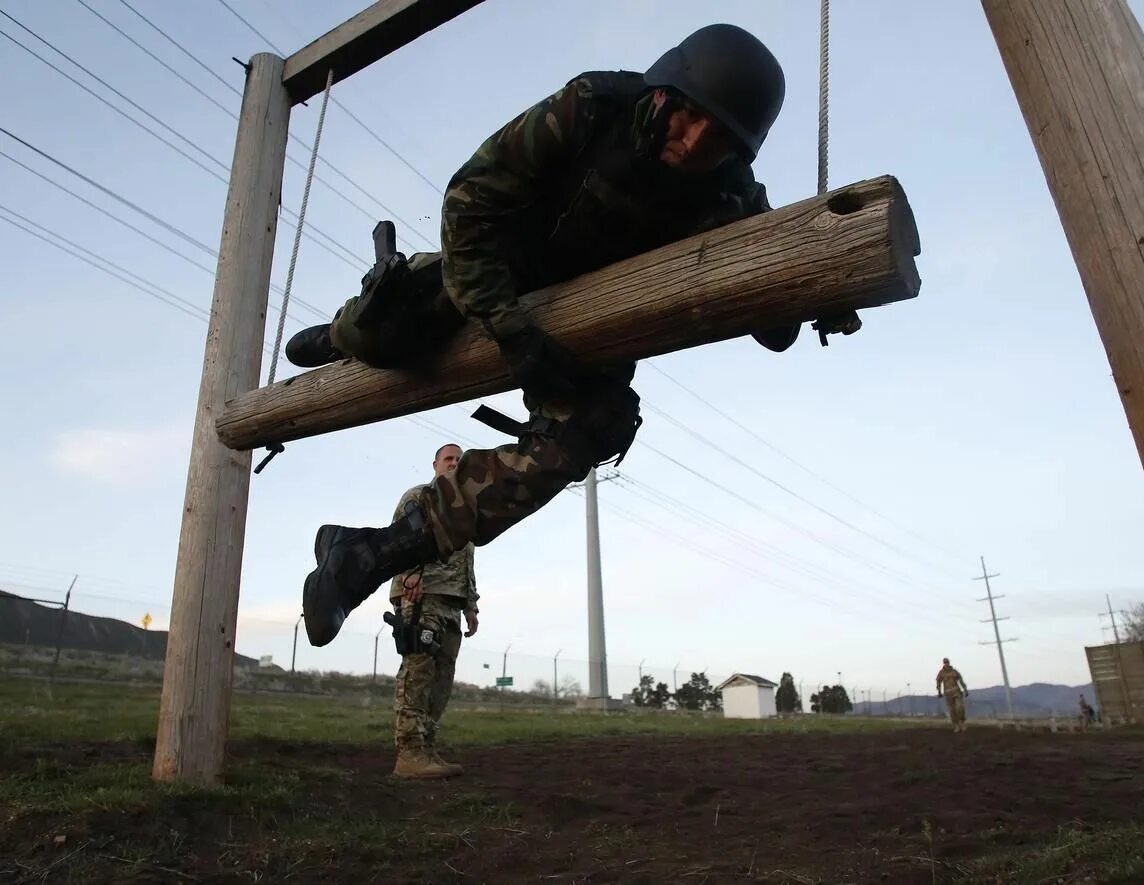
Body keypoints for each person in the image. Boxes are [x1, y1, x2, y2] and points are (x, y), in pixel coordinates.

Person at [295, 24, 853, 648]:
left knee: (592, 427)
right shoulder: (587, 110)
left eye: (718, 138)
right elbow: (467, 205)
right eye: (691, 118)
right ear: (667, 94)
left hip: (589, 321)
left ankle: (362, 558)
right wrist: (511, 332)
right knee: (386, 332)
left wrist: (816, 294)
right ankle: (343, 336)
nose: (695, 143)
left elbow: (769, 326)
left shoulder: (731, 192)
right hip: (497, 269)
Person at [387, 443, 480, 779]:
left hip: (451, 602)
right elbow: (400, 539)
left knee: (442, 680)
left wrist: (471, 604)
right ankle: (409, 752)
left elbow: (466, 559)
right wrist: (410, 574)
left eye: (459, 460)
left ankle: (427, 749)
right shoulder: (419, 497)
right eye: (449, 459)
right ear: (436, 464)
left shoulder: (467, 506)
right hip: (420, 594)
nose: (454, 463)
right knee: (418, 672)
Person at [935, 657, 969, 733]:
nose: (946, 664)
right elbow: (938, 682)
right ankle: (956, 725)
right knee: (952, 711)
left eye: (947, 662)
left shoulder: (954, 671)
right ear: (943, 663)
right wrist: (939, 692)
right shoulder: (941, 673)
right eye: (945, 662)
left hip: (956, 691)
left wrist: (965, 689)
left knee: (960, 707)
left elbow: (960, 680)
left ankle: (962, 722)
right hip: (948, 694)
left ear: (949, 663)